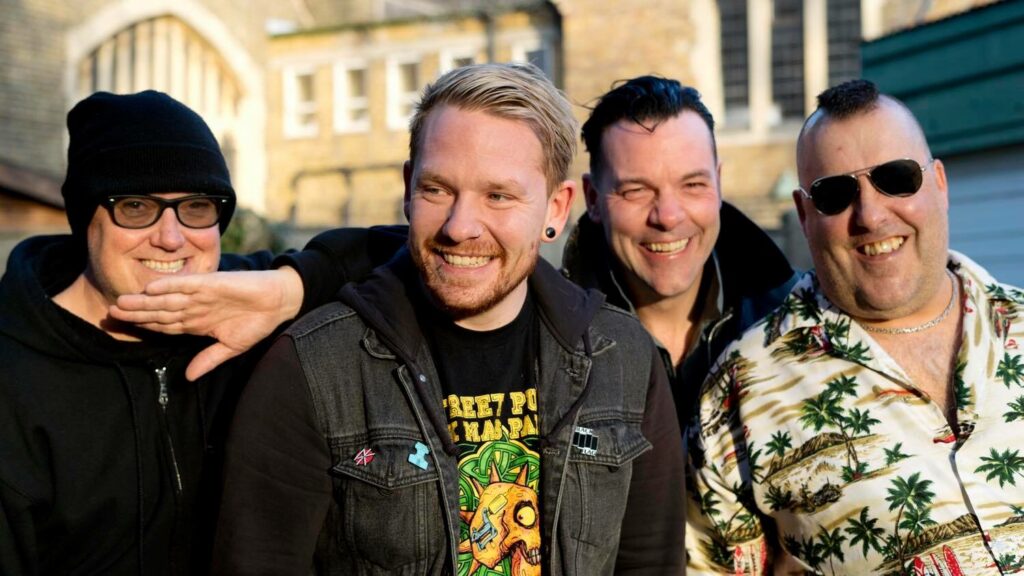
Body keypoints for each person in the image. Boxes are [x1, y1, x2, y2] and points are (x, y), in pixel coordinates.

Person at [210, 63, 686, 575]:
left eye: (498, 196)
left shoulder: (623, 359)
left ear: (555, 208)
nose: (460, 227)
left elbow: (650, 564)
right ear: (408, 188)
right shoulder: (313, 369)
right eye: (437, 189)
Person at [686, 79, 1024, 573]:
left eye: (896, 178)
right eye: (835, 194)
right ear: (804, 214)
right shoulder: (741, 392)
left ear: (940, 184)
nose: (870, 215)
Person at [0, 91, 282, 575]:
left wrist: (288, 291)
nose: (171, 238)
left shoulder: (246, 307)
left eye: (196, 206)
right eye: (135, 206)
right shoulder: (13, 377)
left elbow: (394, 253)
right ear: (85, 219)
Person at [564, 76, 797, 419]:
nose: (668, 217)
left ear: (718, 183)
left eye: (692, 185)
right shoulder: (546, 344)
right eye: (636, 191)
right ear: (593, 199)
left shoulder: (798, 317)